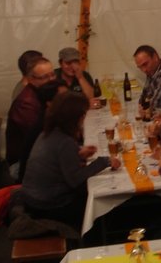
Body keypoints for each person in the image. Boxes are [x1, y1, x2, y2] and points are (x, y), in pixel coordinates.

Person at [20, 92, 120, 229]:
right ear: (76, 118)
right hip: (48, 206)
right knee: (102, 200)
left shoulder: (47, 133)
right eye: (83, 114)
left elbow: (57, 161)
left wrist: (78, 154)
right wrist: (105, 162)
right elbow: (75, 180)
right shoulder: (65, 142)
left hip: (31, 199)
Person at [6, 57, 61, 179]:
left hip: (39, 153)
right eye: (45, 77)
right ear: (31, 79)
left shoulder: (44, 93)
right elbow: (41, 139)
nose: (51, 80)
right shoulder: (26, 104)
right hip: (21, 164)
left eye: (52, 75)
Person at [134, 45, 161, 117]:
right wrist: (141, 105)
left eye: (145, 64)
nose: (143, 70)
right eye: (140, 67)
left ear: (155, 57)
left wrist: (144, 105)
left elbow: (156, 102)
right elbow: (144, 95)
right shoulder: (153, 70)